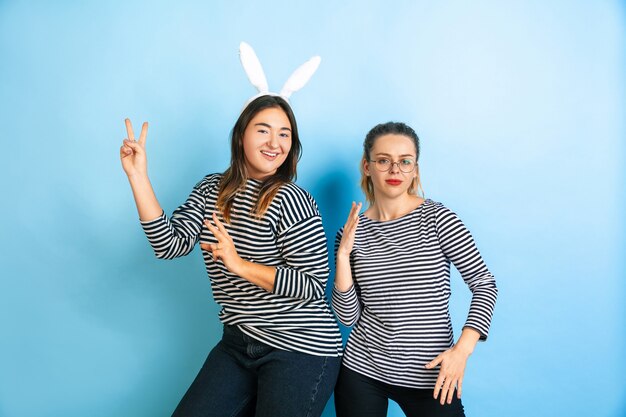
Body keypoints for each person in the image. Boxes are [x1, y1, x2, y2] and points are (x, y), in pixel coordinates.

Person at [119, 44, 342, 417]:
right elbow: (168, 245)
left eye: (285, 134)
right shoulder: (212, 189)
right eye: (263, 130)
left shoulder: (291, 198)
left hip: (301, 347)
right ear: (241, 135)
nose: (275, 143)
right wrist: (138, 177)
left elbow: (311, 285)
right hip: (238, 342)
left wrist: (239, 265)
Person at [332, 122, 498, 417]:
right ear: (367, 166)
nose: (395, 170)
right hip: (363, 368)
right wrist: (344, 255)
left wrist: (462, 351)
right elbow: (348, 317)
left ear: (415, 169)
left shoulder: (438, 218)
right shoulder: (351, 231)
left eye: (405, 161)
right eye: (384, 160)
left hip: (429, 375)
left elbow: (484, 283)